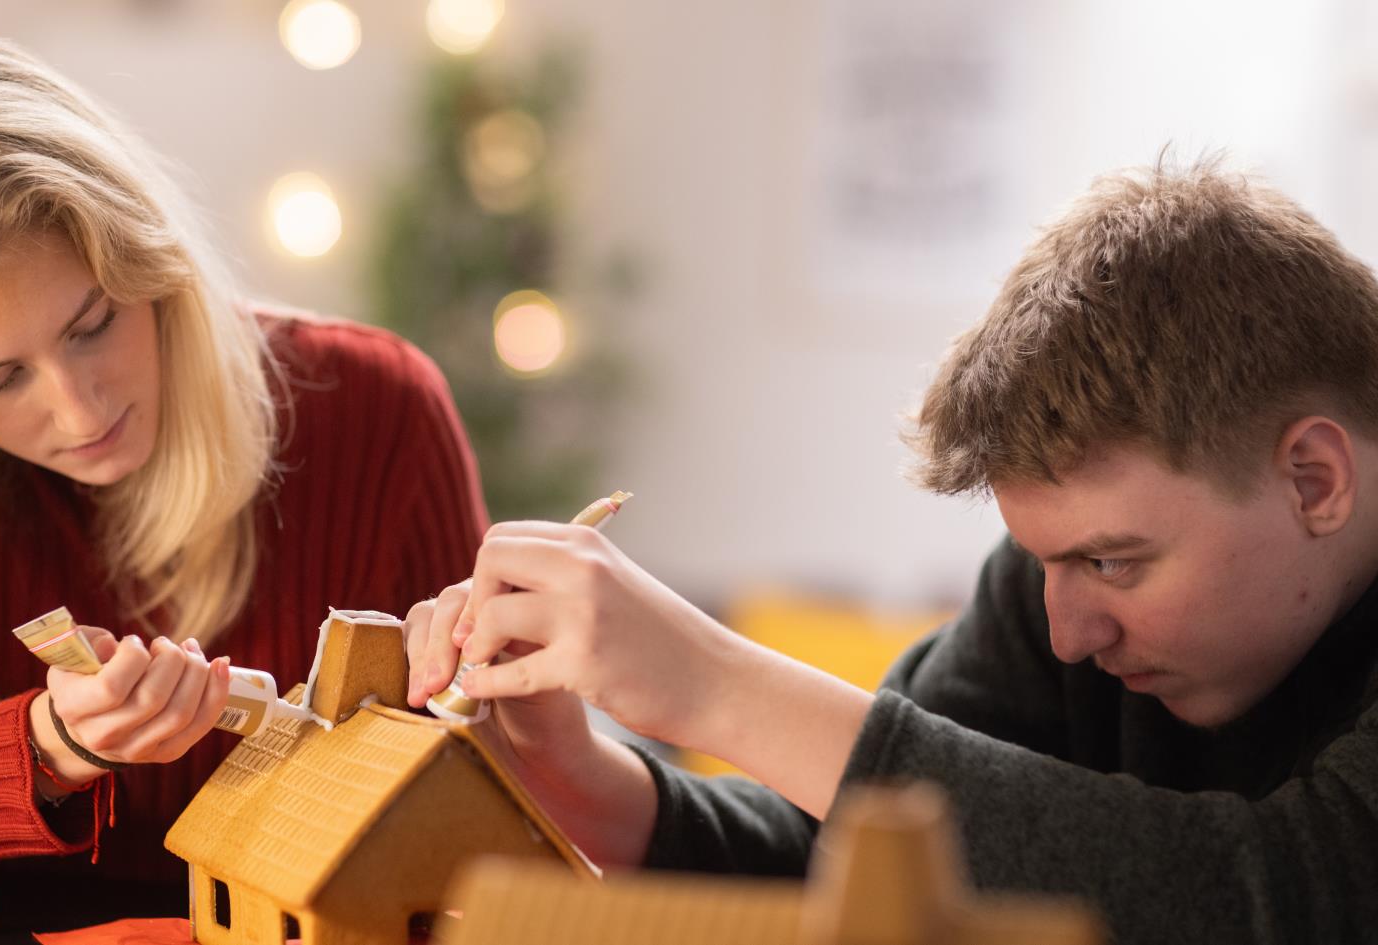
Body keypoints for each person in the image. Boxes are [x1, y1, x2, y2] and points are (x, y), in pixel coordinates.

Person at [405, 161, 1378, 944]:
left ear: (1314, 481)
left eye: (1115, 562)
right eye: (1044, 561)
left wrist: (712, 686)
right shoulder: (1048, 593)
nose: (1068, 634)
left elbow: (1287, 903)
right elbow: (854, 863)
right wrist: (590, 782)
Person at [0, 29, 487, 888]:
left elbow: (489, 789)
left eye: (93, 324)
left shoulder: (376, 407)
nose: (80, 407)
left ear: (152, 262)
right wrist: (47, 746)